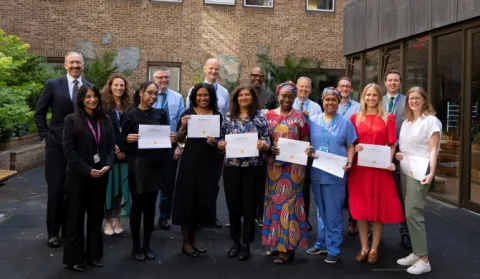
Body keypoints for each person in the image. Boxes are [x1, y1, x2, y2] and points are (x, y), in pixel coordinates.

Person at [35, 51, 93, 248]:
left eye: (79, 62)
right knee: (56, 189)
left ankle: (71, 230)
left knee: (75, 192)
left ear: (83, 65)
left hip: (80, 148)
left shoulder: (90, 87)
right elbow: (39, 113)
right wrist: (45, 135)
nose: (75, 65)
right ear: (65, 65)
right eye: (72, 62)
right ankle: (53, 232)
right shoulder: (53, 85)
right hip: (57, 146)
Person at [348, 83, 404, 265]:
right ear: (363, 97)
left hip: (380, 170)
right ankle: (364, 247)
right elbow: (350, 143)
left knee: (378, 210)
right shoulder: (355, 118)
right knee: (362, 209)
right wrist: (355, 148)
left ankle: (374, 249)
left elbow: (391, 144)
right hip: (360, 169)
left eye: (374, 95)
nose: (371, 98)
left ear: (379, 98)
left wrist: (389, 161)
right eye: (368, 95)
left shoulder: (388, 118)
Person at [122, 81, 176, 262]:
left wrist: (170, 138)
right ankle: (136, 246)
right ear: (141, 93)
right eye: (150, 93)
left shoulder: (160, 114)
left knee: (150, 208)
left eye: (156, 94)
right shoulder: (130, 115)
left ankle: (147, 244)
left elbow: (165, 143)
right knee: (138, 206)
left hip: (155, 165)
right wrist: (126, 139)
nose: (153, 97)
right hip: (137, 165)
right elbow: (121, 143)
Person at [62, 84, 114, 272]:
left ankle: (94, 255)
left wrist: (108, 164)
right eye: (88, 97)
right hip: (78, 177)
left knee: (96, 217)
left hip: (100, 176)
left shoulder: (105, 120)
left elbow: (110, 147)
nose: (92, 100)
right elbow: (69, 151)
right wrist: (87, 170)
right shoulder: (71, 120)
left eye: (95, 96)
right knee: (74, 217)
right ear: (81, 99)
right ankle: (74, 258)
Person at [218, 85, 271, 261]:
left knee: (249, 206)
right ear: (236, 98)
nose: (243, 97)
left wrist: (264, 146)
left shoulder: (260, 118)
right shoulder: (228, 118)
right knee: (233, 205)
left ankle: (246, 244)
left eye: (247, 94)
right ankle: (235, 241)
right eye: (240, 95)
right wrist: (220, 145)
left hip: (253, 168)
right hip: (232, 167)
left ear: (252, 97)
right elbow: (220, 139)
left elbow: (266, 139)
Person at [306, 87, 357, 264]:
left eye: (333, 100)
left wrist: (350, 161)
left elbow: (351, 145)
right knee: (321, 210)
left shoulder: (346, 123)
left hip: (335, 174)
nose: (330, 103)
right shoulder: (312, 121)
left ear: (338, 102)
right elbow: (306, 142)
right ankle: (322, 242)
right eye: (327, 99)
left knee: (334, 211)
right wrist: (308, 150)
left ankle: (334, 248)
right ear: (322, 101)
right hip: (317, 171)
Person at [172, 83, 223, 257]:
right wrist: (182, 127)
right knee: (188, 199)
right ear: (195, 96)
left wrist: (215, 142)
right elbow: (179, 139)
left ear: (211, 97)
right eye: (199, 95)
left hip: (210, 161)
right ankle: (186, 242)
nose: (203, 98)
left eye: (206, 95)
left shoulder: (217, 115)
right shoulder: (188, 114)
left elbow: (220, 140)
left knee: (201, 200)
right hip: (190, 161)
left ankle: (194, 240)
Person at [262, 81, 309, 264]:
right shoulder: (269, 116)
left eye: (291, 96)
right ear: (278, 95)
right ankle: (277, 243)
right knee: (274, 205)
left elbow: (305, 139)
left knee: (290, 208)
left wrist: (305, 149)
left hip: (294, 168)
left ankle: (288, 248)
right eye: (284, 95)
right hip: (273, 167)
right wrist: (268, 147)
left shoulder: (300, 117)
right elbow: (264, 138)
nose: (287, 99)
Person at [395, 87, 440, 275]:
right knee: (408, 212)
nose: (413, 101)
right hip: (406, 170)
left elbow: (433, 150)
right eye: (411, 98)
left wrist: (432, 173)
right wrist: (398, 155)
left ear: (424, 100)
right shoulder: (406, 122)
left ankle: (424, 260)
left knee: (414, 212)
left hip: (421, 172)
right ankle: (416, 251)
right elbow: (404, 147)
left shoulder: (431, 121)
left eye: (417, 98)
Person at [185, 58, 230, 228]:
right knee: (196, 183)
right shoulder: (194, 89)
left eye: (216, 68)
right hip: (196, 146)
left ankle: (211, 216)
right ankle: (195, 217)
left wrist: (219, 141)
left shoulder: (224, 92)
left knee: (212, 183)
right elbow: (189, 115)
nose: (213, 71)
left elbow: (222, 118)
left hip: (214, 145)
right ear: (205, 69)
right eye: (211, 68)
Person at [152, 66, 185, 230]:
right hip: (150, 146)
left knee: (168, 183)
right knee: (149, 183)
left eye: (166, 77)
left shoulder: (177, 97)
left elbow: (182, 124)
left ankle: (164, 217)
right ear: (154, 78)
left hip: (170, 146)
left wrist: (180, 145)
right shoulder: (147, 96)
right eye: (160, 78)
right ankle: (149, 216)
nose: (163, 80)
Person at [100, 74, 133, 236]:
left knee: (121, 188)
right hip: (110, 153)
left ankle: (118, 219)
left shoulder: (129, 107)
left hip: (126, 154)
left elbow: (133, 129)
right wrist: (116, 149)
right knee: (109, 189)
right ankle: (107, 221)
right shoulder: (103, 107)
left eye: (122, 85)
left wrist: (124, 150)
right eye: (116, 85)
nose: (119, 88)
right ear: (110, 87)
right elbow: (103, 131)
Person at [382, 69, 411, 249]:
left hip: (402, 153)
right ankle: (373, 227)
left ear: (400, 83)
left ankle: (405, 232)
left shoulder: (408, 101)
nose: (393, 83)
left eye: (396, 80)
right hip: (379, 152)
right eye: (390, 80)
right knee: (378, 191)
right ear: (385, 82)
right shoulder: (378, 100)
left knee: (403, 195)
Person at [293, 76, 322, 232]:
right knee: (291, 183)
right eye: (301, 86)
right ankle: (292, 217)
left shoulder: (316, 107)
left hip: (308, 149)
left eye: (307, 87)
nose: (304, 89)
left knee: (305, 186)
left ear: (310, 89)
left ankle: (304, 219)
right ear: (297, 87)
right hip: (291, 148)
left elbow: (319, 128)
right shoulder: (289, 102)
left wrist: (308, 119)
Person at [336, 76, 361, 235]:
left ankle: (353, 219)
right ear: (337, 88)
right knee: (337, 188)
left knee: (353, 188)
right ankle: (336, 220)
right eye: (342, 86)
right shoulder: (331, 103)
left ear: (351, 89)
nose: (344, 89)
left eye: (348, 86)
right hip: (335, 151)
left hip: (353, 149)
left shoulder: (358, 107)